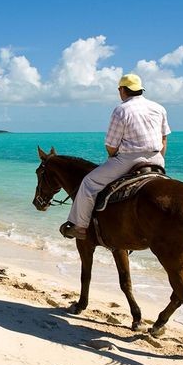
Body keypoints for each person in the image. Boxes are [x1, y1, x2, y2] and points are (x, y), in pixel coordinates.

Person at [60, 73, 171, 240]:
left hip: (129, 160)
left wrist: (113, 157)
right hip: (157, 159)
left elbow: (111, 146)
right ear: (140, 90)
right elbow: (164, 138)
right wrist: (159, 159)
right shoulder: (159, 108)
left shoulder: (121, 110)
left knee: (89, 183)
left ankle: (80, 228)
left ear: (122, 90)